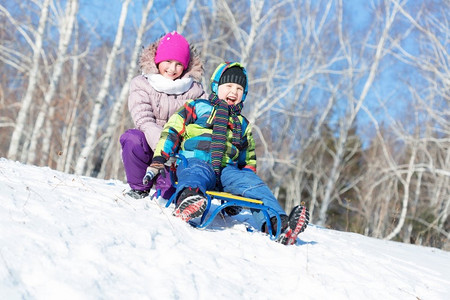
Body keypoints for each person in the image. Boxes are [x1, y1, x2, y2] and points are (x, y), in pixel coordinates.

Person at [144, 62, 309, 245]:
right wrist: (160, 158)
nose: (234, 91)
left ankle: (279, 223)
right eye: (229, 86)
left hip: (226, 170)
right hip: (195, 159)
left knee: (255, 185)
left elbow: (248, 158)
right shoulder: (196, 107)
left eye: (239, 88)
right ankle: (190, 199)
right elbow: (172, 131)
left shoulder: (242, 124)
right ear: (216, 86)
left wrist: (244, 183)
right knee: (195, 173)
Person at [120, 31, 205, 199]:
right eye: (168, 61)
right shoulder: (141, 84)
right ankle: (139, 187)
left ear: (186, 66)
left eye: (178, 64)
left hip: (175, 156)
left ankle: (174, 191)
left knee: (166, 196)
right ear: (158, 60)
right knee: (132, 138)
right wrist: (163, 144)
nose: (172, 69)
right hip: (151, 144)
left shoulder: (196, 92)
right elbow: (143, 119)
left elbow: (200, 125)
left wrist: (174, 150)